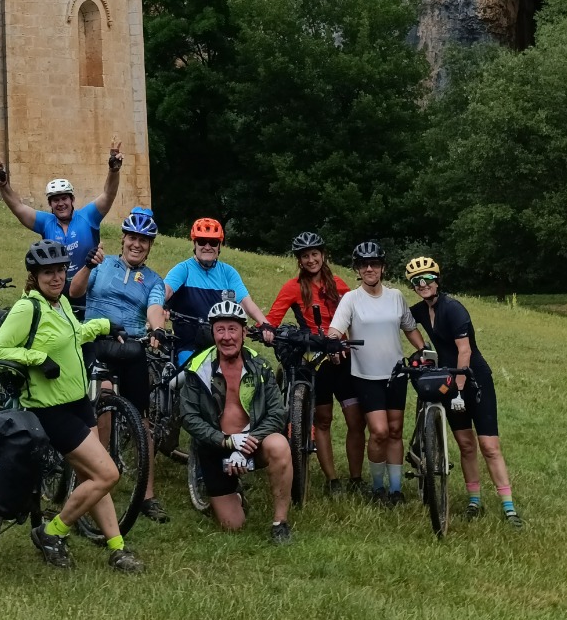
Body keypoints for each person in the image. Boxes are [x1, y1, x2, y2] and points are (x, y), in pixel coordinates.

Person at [0, 239, 144, 575]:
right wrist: (36, 358)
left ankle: (116, 548)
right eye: (48, 272)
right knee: (107, 474)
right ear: (35, 275)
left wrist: (103, 326)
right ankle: (52, 531)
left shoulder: (60, 304)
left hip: (78, 403)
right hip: (50, 409)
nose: (56, 277)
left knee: (93, 475)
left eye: (60, 270)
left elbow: (74, 335)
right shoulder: (27, 309)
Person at [405, 255, 523, 528]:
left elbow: (465, 350)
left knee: (489, 446)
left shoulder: (453, 309)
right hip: (449, 379)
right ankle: (474, 501)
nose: (423, 284)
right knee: (466, 445)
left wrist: (459, 390)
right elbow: (404, 322)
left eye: (428, 279)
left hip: (473, 379)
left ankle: (509, 507)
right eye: (417, 281)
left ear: (437, 280)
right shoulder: (421, 310)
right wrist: (423, 349)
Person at [70, 206, 170, 522]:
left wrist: (157, 329)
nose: (137, 244)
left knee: (143, 423)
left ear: (150, 245)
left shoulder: (153, 280)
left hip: (131, 348)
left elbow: (155, 308)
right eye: (132, 238)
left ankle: (147, 496)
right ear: (123, 239)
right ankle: (99, 483)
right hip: (96, 342)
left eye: (144, 240)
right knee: (104, 404)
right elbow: (74, 291)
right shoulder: (103, 264)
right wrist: (88, 265)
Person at [181, 299, 295, 544]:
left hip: (253, 443)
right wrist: (227, 441)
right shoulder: (198, 369)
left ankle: (280, 523)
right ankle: (235, 493)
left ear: (244, 332)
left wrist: (247, 443)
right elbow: (189, 417)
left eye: (232, 329)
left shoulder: (260, 366)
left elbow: (277, 412)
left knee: (279, 445)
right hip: (216, 447)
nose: (226, 337)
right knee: (233, 525)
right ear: (212, 333)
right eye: (220, 330)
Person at [265, 231, 365, 497]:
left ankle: (356, 478)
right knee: (323, 419)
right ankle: (333, 480)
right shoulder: (293, 287)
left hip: (342, 358)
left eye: (315, 254)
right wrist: (266, 330)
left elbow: (358, 316)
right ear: (299, 260)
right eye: (305, 256)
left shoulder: (339, 285)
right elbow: (273, 319)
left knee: (356, 421)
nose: (311, 260)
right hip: (315, 360)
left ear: (323, 255)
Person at [327, 240, 425, 507]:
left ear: (383, 267)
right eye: (364, 264)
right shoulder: (351, 299)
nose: (369, 268)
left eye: (374, 264)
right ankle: (378, 486)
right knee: (379, 431)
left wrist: (424, 350)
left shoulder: (396, 297)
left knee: (395, 430)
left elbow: (410, 327)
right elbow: (336, 329)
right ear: (357, 269)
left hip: (396, 373)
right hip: (366, 375)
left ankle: (395, 489)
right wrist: (333, 342)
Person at [0, 141, 124, 281]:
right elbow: (18, 207)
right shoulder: (46, 222)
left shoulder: (88, 216)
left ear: (72, 200)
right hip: (58, 288)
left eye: (64, 198)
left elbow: (108, 195)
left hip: (89, 287)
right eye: (55, 200)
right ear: (50, 204)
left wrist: (113, 170)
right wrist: (3, 185)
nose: (61, 204)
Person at [162, 218, 271, 364]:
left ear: (219, 246)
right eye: (202, 241)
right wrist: (159, 304)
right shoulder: (184, 269)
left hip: (224, 345)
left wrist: (265, 324)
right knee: (187, 372)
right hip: (189, 346)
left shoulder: (228, 273)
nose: (207, 247)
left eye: (213, 242)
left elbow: (245, 302)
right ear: (194, 244)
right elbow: (166, 290)